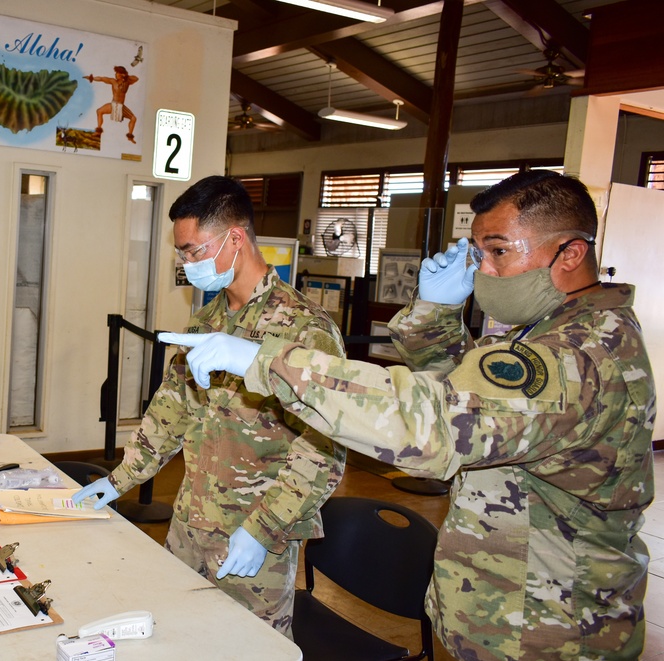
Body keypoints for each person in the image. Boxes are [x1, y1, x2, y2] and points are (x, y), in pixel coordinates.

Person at [164, 170, 656, 660]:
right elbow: (465, 397)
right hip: (503, 612)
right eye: (478, 252)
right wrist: (435, 314)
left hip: (557, 630)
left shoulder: (584, 356)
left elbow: (436, 427)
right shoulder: (542, 334)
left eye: (499, 251)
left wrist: (265, 361)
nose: (482, 268)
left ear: (569, 253)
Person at [73, 175, 346, 636]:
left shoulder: (304, 329)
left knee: (248, 648)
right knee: (179, 639)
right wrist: (119, 480)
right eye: (180, 253)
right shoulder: (208, 319)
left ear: (235, 239)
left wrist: (264, 529)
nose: (186, 264)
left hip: (254, 540)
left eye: (193, 250)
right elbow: (172, 410)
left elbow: (323, 451)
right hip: (190, 524)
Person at [85, 66, 139, 143]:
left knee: (133, 118)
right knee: (99, 111)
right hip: (113, 105)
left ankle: (130, 136)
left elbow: (136, 79)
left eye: (118, 73)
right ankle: (98, 131)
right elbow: (102, 79)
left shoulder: (127, 82)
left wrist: (126, 76)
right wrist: (92, 78)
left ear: (122, 74)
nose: (116, 74)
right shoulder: (113, 81)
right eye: (116, 73)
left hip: (121, 106)